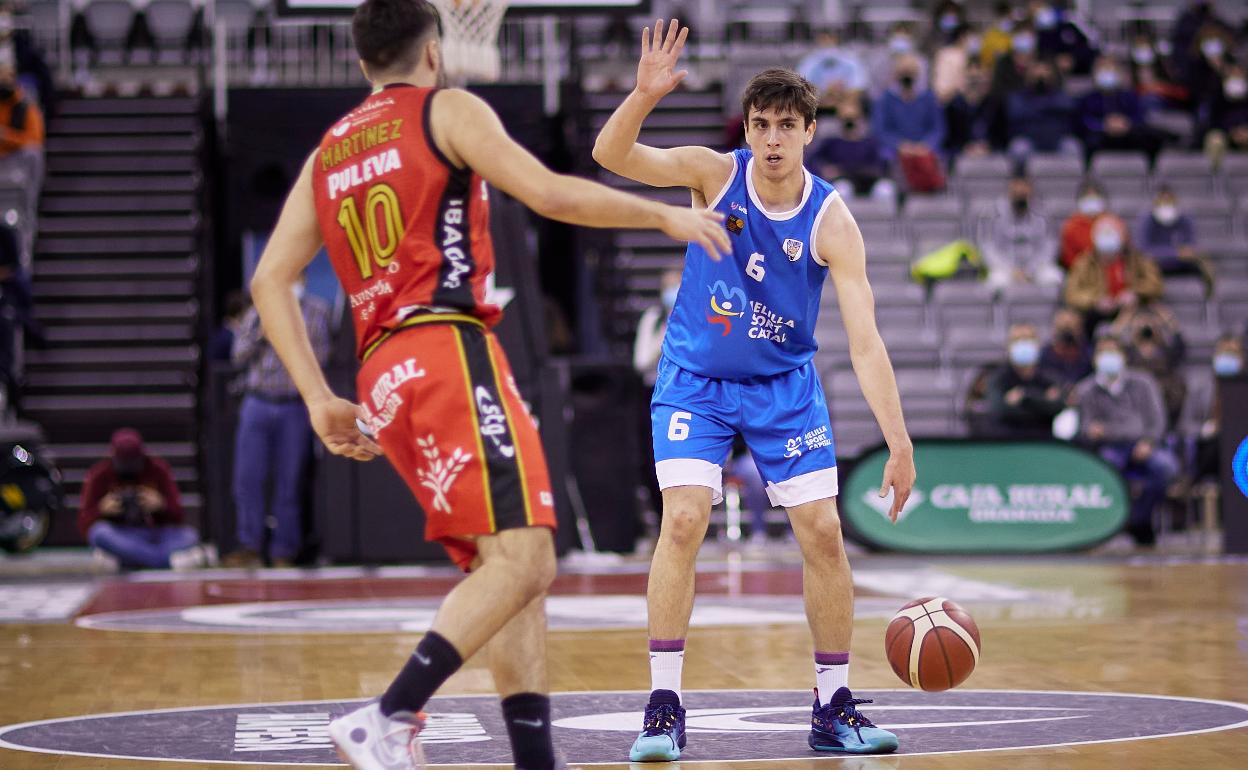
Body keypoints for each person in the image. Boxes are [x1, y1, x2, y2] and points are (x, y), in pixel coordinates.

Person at [248, 3, 730, 769]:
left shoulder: (328, 152)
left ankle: (535, 761)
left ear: (364, 59)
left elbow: (271, 280)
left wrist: (317, 397)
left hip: (380, 372)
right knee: (531, 560)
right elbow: (550, 194)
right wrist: (662, 219)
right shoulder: (448, 110)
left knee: (507, 572)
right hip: (445, 345)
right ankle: (391, 712)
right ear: (434, 52)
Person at [593, 19, 914, 760]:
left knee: (826, 534)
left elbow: (865, 341)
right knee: (683, 521)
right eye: (762, 124)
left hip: (782, 386)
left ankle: (832, 707)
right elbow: (610, 154)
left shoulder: (832, 221)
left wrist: (898, 441)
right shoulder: (714, 171)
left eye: (787, 125)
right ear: (750, 129)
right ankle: (663, 705)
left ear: (808, 131)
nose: (772, 138)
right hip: (696, 379)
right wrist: (641, 97)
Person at [226, 276, 331, 568]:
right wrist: (263, 334)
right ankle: (250, 546)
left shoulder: (317, 311)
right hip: (258, 401)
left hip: (293, 404)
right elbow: (237, 355)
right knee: (248, 478)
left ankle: (284, 549)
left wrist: (293, 344)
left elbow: (323, 356)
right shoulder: (258, 309)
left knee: (290, 479)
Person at [1073, 335, 1179, 547]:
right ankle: (1107, 527)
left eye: (1113, 352)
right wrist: (1097, 432)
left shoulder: (1144, 382)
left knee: (1166, 467)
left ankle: (1137, 520)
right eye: (1104, 352)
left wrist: (1148, 441)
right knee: (1105, 470)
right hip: (1109, 448)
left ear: (1123, 357)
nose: (1109, 358)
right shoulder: (1086, 390)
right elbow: (1085, 427)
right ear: (1094, 358)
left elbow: (1157, 420)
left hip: (1144, 444)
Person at [77, 428, 212, 570]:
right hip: (120, 534)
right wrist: (101, 510)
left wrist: (161, 505)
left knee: (189, 535)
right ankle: (162, 561)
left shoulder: (158, 469)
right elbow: (84, 523)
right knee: (99, 533)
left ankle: (130, 560)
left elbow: (178, 516)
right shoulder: (99, 474)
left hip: (153, 533)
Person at [1064, 213, 1163, 333]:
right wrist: (1095, 300)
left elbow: (1155, 284)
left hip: (1131, 311)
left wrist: (1135, 293)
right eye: (1104, 234)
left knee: (1146, 319)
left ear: (1122, 236)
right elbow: (1072, 293)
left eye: (1111, 233)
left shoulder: (1137, 259)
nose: (1107, 237)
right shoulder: (1084, 263)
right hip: (1095, 314)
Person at [635, 268, 681, 519]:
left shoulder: (696, 315)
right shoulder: (652, 319)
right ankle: (661, 517)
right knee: (654, 459)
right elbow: (640, 362)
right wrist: (665, 337)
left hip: (687, 394)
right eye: (667, 288)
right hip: (654, 392)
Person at [873, 53, 946, 192]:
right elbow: (880, 130)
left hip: (925, 149)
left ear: (917, 74)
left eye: (911, 72)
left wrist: (925, 145)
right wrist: (900, 145)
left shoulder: (929, 98)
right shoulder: (885, 99)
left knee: (934, 158)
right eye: (903, 72)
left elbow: (938, 128)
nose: (907, 75)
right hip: (895, 150)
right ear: (895, 74)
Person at [979, 171, 1061, 292]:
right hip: (1005, 268)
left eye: (1024, 187)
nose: (1021, 192)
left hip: (1037, 267)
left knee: (1053, 278)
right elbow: (988, 247)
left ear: (1031, 189)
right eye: (1017, 187)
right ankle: (999, 311)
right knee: (996, 282)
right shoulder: (992, 213)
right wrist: (1011, 271)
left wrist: (1030, 271)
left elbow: (1050, 246)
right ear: (1009, 189)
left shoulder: (1044, 213)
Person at [1111, 300, 1187, 426]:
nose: (1145, 326)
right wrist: (1124, 319)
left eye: (1150, 322)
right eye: (1141, 322)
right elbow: (1111, 341)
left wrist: (1165, 318)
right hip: (1133, 404)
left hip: (1164, 400)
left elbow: (1179, 342)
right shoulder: (1128, 353)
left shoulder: (1167, 352)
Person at [986, 323, 1065, 438]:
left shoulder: (1050, 378)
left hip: (1043, 444)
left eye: (1028, 339)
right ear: (1009, 346)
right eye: (1017, 340)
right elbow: (1000, 410)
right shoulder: (997, 379)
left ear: (1038, 345)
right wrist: (1043, 400)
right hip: (1008, 443)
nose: (1023, 344)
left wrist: (1023, 397)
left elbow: (1058, 407)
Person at [1180, 332, 1241, 481]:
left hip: (1242, 447)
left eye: (1232, 353)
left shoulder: (1244, 389)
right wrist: (1205, 429)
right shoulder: (1200, 389)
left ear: (1241, 359)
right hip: (1209, 446)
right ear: (1215, 357)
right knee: (1217, 444)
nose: (1227, 358)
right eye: (1223, 353)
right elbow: (1184, 425)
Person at [1076, 56, 1162, 160]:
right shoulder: (1088, 99)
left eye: (1110, 69)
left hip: (1127, 135)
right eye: (1103, 69)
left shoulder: (1130, 96)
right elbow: (1084, 120)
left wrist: (1126, 123)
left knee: (1151, 137)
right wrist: (1104, 125)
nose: (1107, 73)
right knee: (1089, 140)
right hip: (1102, 136)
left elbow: (1139, 116)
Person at [809, 98, 892, 200]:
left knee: (885, 190)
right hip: (842, 180)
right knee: (841, 190)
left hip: (868, 181)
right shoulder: (832, 142)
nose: (850, 123)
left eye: (853, 118)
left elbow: (879, 165)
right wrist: (824, 169)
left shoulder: (870, 143)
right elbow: (814, 160)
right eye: (846, 118)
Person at [1135, 185, 1212, 284]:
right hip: (1157, 262)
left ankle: (1209, 296)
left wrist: (1188, 252)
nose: (1166, 205)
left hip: (1180, 262)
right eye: (1162, 202)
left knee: (1205, 264)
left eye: (1169, 201)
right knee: (1145, 265)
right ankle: (1154, 296)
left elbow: (1191, 245)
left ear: (1175, 201)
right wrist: (1175, 253)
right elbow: (1144, 249)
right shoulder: (1146, 220)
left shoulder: (1185, 218)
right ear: (1155, 202)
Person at [1005, 58, 1080, 158]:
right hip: (1028, 139)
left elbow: (1068, 107)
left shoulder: (1061, 95)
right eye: (1036, 71)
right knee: (1018, 149)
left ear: (1052, 75)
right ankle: (1021, 174)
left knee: (1072, 148)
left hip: (1058, 139)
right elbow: (1016, 113)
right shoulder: (1017, 97)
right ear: (1028, 74)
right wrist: (1050, 110)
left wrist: (1034, 108)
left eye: (1045, 71)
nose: (1040, 75)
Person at [796, 27, 867, 109]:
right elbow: (802, 88)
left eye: (830, 38)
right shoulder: (809, 61)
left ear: (836, 39)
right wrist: (825, 95)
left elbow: (859, 86)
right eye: (823, 39)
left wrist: (840, 98)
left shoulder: (851, 60)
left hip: (845, 102)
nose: (827, 42)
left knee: (850, 109)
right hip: (818, 104)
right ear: (818, 40)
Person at [1058, 179, 1109, 271]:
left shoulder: (1111, 223)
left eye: (1095, 197)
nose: (1092, 201)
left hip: (1107, 270)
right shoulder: (1071, 226)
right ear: (1080, 200)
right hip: (1079, 271)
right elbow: (1068, 257)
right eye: (1088, 198)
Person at [1039, 307, 1094, 389]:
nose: (1068, 334)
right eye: (1064, 328)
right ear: (1055, 329)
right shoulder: (1045, 355)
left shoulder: (1089, 354)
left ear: (1079, 328)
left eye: (1071, 327)